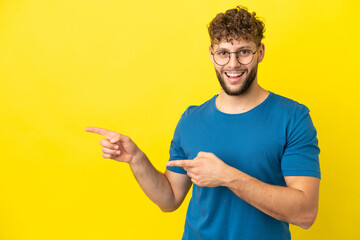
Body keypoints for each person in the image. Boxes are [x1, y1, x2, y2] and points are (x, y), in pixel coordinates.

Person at [86, 5, 320, 240]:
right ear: (211, 54)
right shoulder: (191, 119)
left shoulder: (293, 117)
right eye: (223, 53)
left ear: (260, 52)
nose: (233, 63)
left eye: (244, 52)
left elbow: (305, 213)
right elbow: (170, 199)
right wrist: (136, 159)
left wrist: (227, 176)